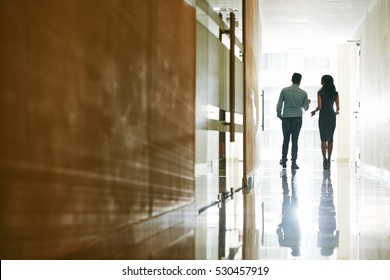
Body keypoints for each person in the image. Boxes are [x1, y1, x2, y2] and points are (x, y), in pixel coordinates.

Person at [276, 73, 310, 169]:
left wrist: (279, 115)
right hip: (297, 119)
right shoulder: (303, 93)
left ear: (292, 79)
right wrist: (307, 103)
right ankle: (294, 163)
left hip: (286, 118)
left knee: (285, 140)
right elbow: (306, 108)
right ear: (300, 81)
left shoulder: (284, 90)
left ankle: (283, 160)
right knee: (295, 141)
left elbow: (279, 104)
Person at [311, 75, 340, 170]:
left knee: (323, 139)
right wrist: (336, 112)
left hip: (323, 117)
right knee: (330, 139)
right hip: (332, 117)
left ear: (324, 82)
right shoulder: (335, 93)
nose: (320, 81)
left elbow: (320, 107)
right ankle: (329, 159)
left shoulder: (320, 92)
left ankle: (324, 159)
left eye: (321, 80)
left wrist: (314, 111)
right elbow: (337, 107)